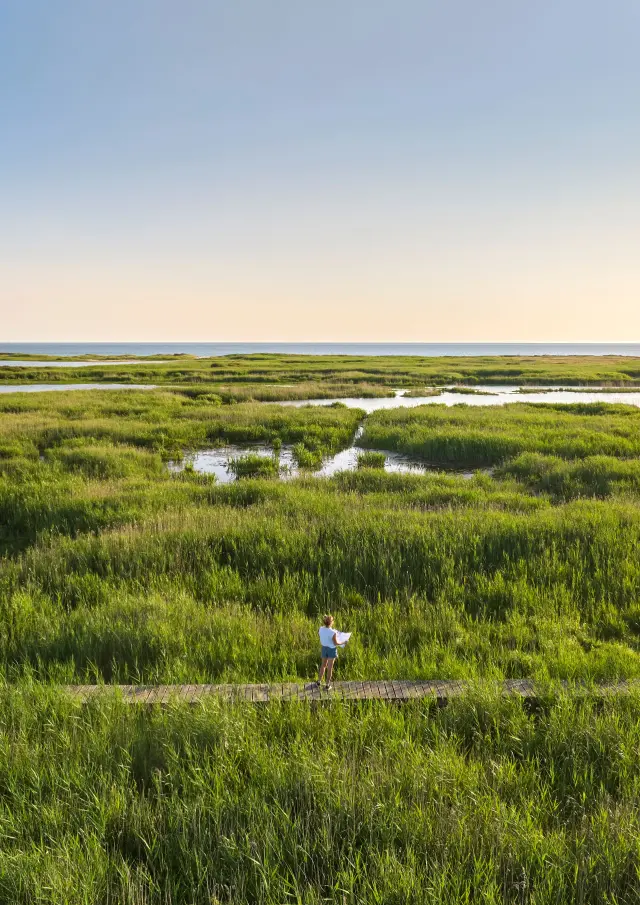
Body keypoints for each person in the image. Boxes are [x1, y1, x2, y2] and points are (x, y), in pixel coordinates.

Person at [315, 614, 342, 689]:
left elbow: (320, 635)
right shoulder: (333, 632)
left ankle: (319, 682)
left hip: (324, 648)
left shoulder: (320, 629)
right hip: (331, 650)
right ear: (331, 622)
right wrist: (343, 642)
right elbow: (336, 643)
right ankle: (327, 685)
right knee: (330, 668)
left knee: (323, 665)